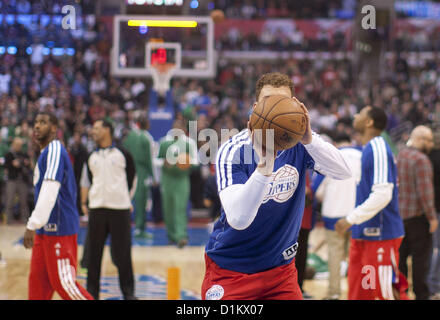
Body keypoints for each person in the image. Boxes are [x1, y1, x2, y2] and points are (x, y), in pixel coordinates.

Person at [201, 72, 351, 300]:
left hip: (280, 272)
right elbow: (239, 219)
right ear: (255, 108)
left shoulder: (301, 145)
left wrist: (310, 139)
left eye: (284, 102)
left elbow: (343, 172)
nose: (277, 107)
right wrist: (265, 167)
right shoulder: (233, 151)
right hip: (231, 270)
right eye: (269, 101)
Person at [335, 106, 407, 300]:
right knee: (360, 293)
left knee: (385, 293)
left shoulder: (378, 146)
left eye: (361, 113)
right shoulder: (368, 148)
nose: (356, 116)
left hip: (381, 234)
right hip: (364, 233)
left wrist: (351, 218)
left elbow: (383, 194)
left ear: (369, 122)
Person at [23, 111, 93, 300]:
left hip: (59, 228)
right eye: (35, 122)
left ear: (54, 128)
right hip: (44, 231)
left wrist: (32, 223)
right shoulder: (44, 154)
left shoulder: (54, 149)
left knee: (64, 284)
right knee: (38, 286)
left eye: (43, 122)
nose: (37, 126)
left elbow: (50, 188)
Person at [80, 119, 137, 300]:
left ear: (107, 130)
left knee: (123, 254)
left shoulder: (122, 154)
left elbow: (132, 178)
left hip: (119, 209)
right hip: (96, 209)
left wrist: (125, 198)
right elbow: (86, 180)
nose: (93, 131)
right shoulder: (91, 156)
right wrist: (84, 202)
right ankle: (91, 293)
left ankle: (128, 293)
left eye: (96, 128)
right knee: (93, 255)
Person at [315, 133, 362, 300]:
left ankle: (334, 293)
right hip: (356, 216)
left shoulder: (329, 156)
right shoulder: (363, 156)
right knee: (356, 258)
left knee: (334, 256)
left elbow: (318, 192)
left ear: (336, 143)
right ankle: (356, 293)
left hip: (332, 215)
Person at [396, 125, 438, 300]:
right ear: (419, 139)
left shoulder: (401, 155)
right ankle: (422, 295)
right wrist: (432, 217)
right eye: (428, 140)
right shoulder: (421, 160)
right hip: (418, 219)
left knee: (401, 260)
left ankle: (401, 293)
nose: (431, 144)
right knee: (421, 261)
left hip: (401, 217)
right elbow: (425, 193)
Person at [157, 119, 198, 248]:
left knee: (180, 208)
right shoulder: (164, 142)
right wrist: (164, 162)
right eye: (175, 127)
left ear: (184, 129)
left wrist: (187, 162)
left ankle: (181, 236)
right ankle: (171, 236)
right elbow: (155, 160)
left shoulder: (189, 143)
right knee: (168, 209)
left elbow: (196, 161)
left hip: (182, 179)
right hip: (167, 178)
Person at [122, 117, 155, 239]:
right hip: (141, 172)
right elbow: (149, 159)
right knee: (141, 203)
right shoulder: (146, 137)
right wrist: (154, 177)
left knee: (127, 201)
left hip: (128, 172)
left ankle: (126, 228)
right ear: (144, 123)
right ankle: (140, 229)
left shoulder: (129, 136)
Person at [4, 137, 31, 224]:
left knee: (24, 201)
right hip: (11, 180)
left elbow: (28, 164)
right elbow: (6, 166)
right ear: (14, 145)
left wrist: (26, 163)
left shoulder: (23, 154)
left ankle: (25, 219)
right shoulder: (9, 154)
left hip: (22, 180)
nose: (19, 147)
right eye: (17, 145)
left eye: (20, 145)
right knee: (9, 201)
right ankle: (8, 220)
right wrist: (12, 164)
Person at [428, 128, 440, 299]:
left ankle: (431, 282)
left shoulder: (426, 157)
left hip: (429, 209)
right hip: (436, 210)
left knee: (431, 248)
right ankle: (433, 283)